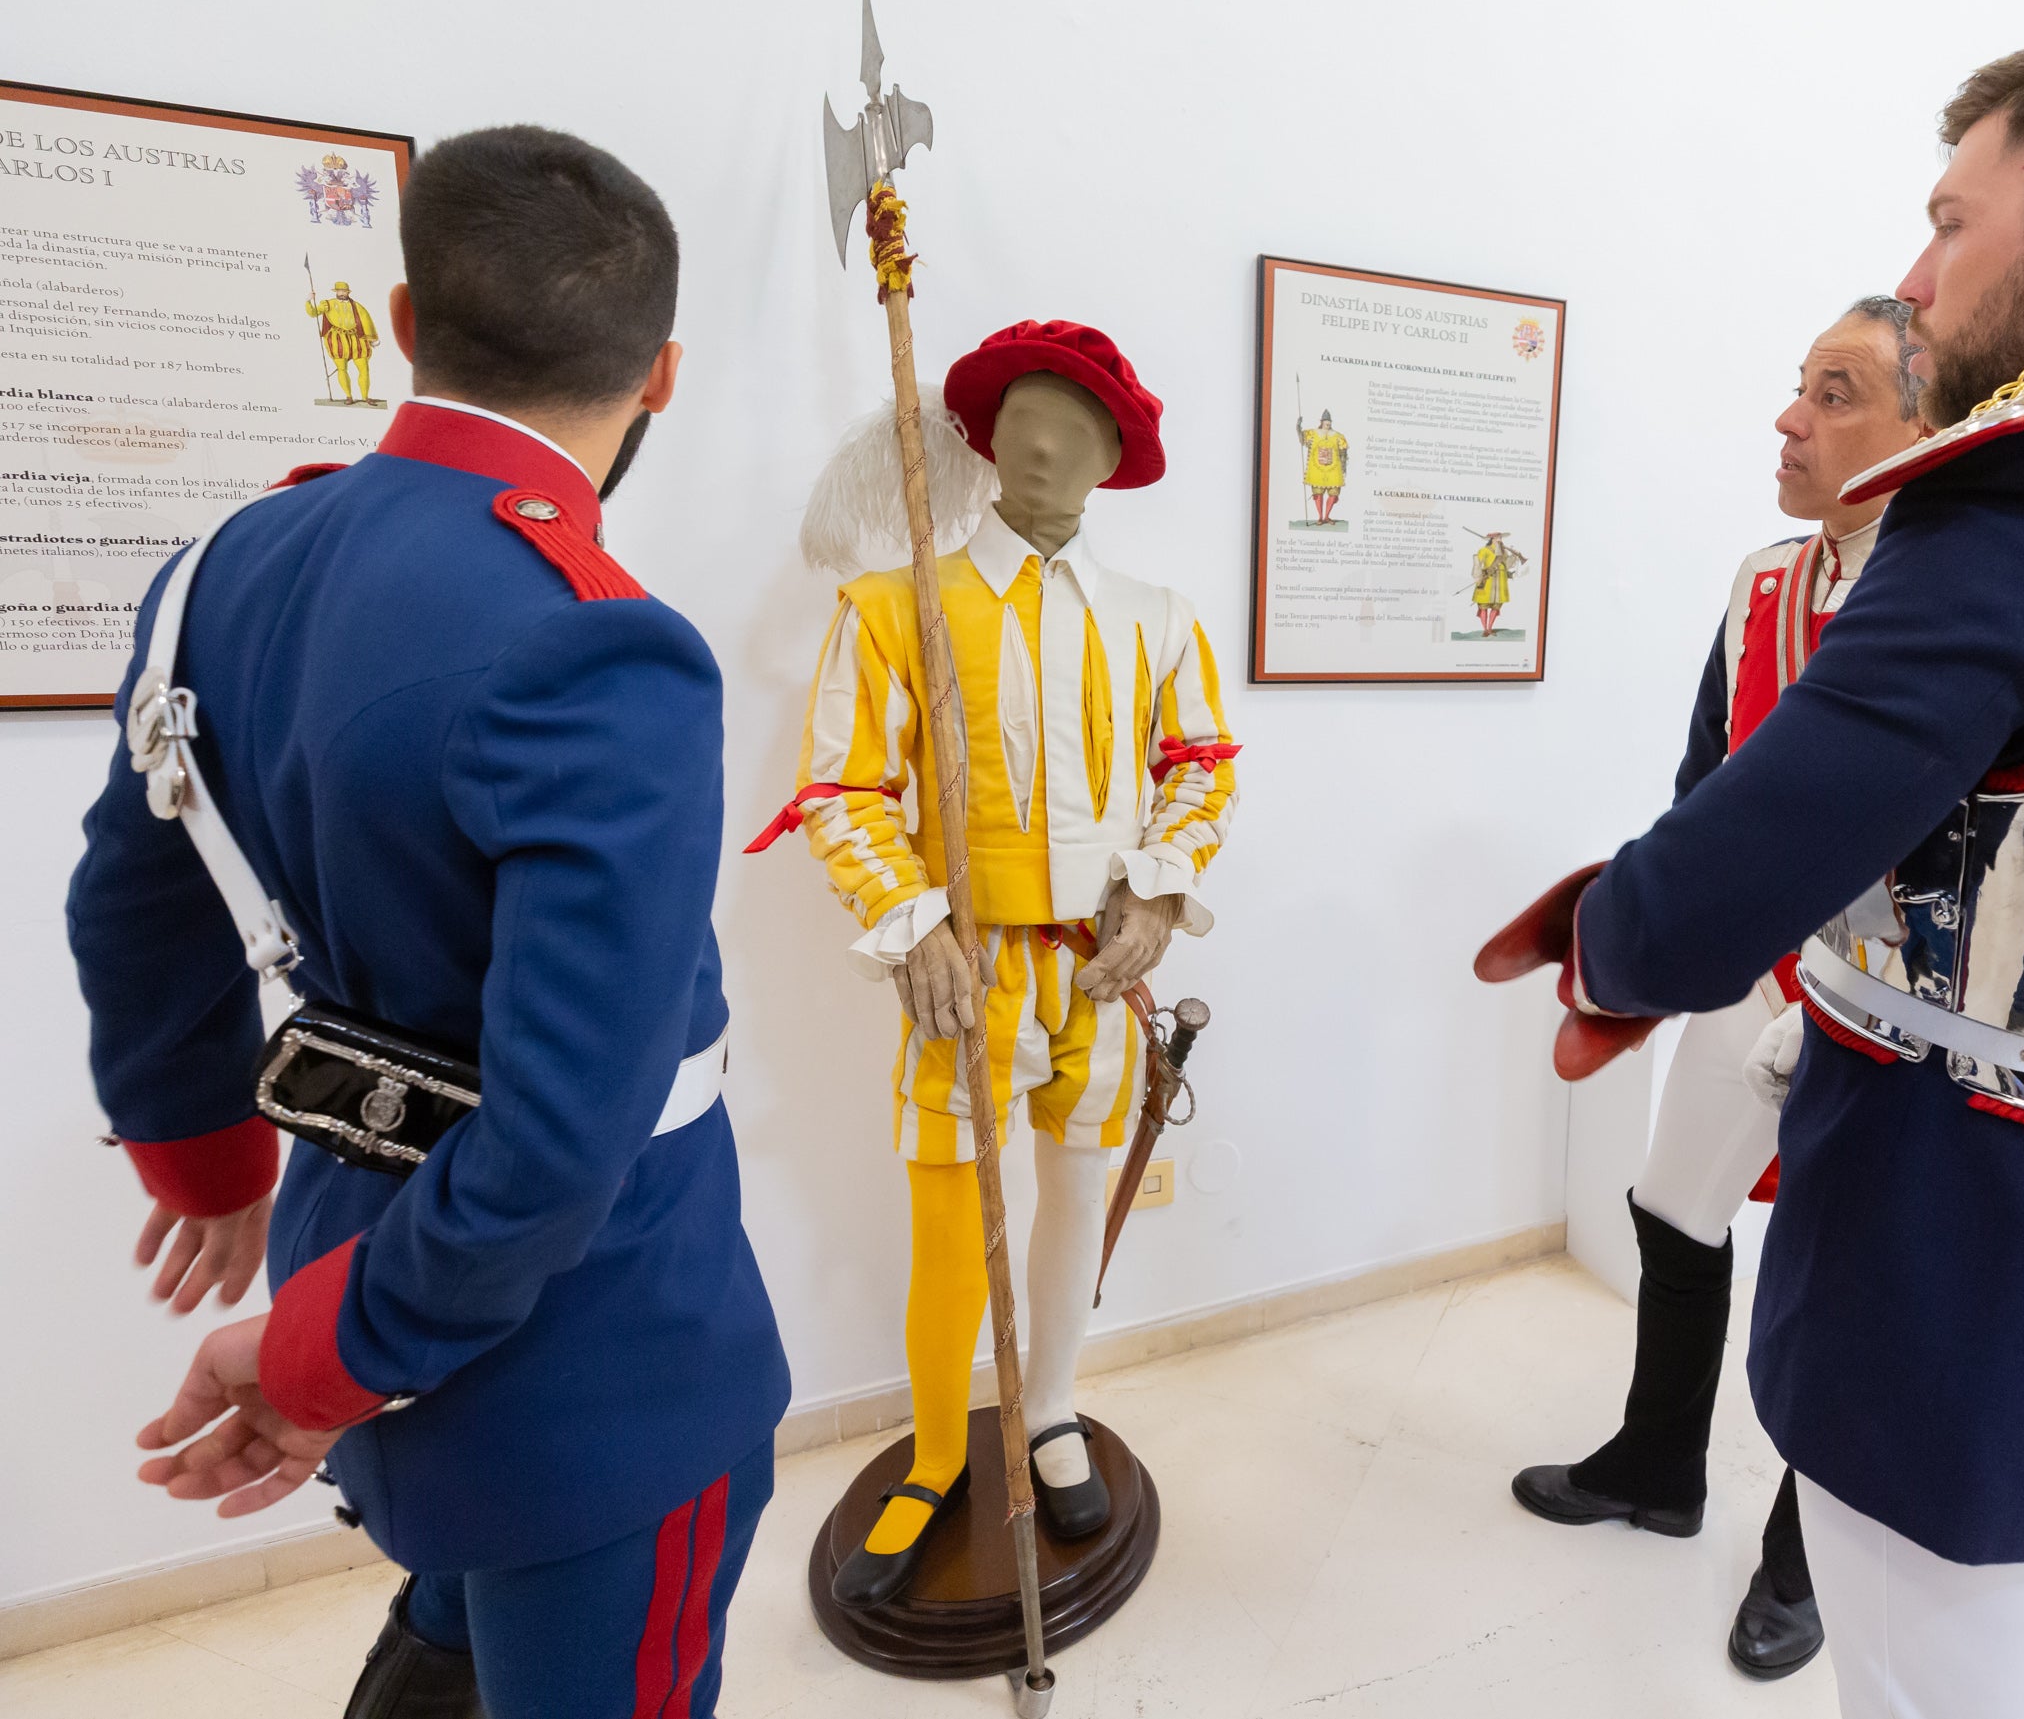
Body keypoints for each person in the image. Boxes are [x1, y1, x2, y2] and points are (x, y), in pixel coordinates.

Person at [1478, 12, 2024, 1718]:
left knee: (1923, 1663)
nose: (1920, 264)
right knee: (2011, 1617)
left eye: (1952, 220)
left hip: (1963, 1197)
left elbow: (1802, 807)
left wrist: (1607, 943)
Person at [67, 125, 787, 1719]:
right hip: (587, 1343)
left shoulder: (224, 568)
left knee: (461, 1604)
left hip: (357, 1219)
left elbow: (133, 895)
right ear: (660, 375)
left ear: (402, 325)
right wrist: (330, 1354)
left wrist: (208, 1157)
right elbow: (556, 1135)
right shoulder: (602, 645)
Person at [753, 319, 1238, 1608]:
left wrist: (1156, 885)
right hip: (964, 970)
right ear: (982, 436)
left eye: (1076, 427)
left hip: (1100, 968)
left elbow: (1199, 765)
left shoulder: (1157, 621)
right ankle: (926, 1452)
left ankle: (1055, 1408)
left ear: (1111, 458)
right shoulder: (893, 605)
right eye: (1023, 417)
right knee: (947, 1220)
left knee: (1077, 1194)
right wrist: (910, 924)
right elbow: (842, 788)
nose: (1044, 445)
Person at [1508, 298, 1926, 1684]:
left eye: (1837, 390)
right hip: (1753, 974)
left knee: (1850, 1278)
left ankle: (1805, 1560)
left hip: (1881, 1006)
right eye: (1799, 384)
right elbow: (1709, 783)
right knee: (1670, 1207)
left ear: (1925, 426)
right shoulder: (1763, 580)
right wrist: (1658, 943)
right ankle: (1654, 1464)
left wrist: (1843, 993)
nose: (1789, 418)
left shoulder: (1949, 596)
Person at [308, 277, 380, 402]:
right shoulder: (328, 304)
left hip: (357, 338)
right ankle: (349, 396)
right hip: (337, 339)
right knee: (342, 368)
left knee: (364, 368)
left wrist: (372, 339)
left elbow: (366, 320)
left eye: (344, 291)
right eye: (339, 291)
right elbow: (313, 313)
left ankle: (365, 397)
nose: (341, 293)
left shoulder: (357, 306)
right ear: (336, 292)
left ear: (348, 292)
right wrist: (309, 301)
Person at [1470, 530, 1527, 635]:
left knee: (1496, 606)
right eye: (1498, 538)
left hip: (1501, 580)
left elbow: (1507, 565)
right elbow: (1477, 564)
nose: (1500, 540)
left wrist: (1515, 555)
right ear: (1492, 539)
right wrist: (1478, 576)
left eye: (1501, 538)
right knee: (1483, 606)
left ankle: (1490, 628)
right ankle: (1485, 629)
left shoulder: (1504, 552)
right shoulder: (1483, 550)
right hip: (1488, 579)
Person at [1297, 405, 1348, 523]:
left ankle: (1326, 516)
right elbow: (1302, 438)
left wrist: (1344, 464)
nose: (1328, 423)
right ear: (1322, 422)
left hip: (1334, 469)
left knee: (1334, 493)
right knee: (1318, 493)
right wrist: (1298, 427)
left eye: (1329, 421)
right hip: (1317, 468)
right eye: (1326, 421)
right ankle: (1320, 517)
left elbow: (1343, 450)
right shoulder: (1313, 432)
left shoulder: (1338, 435)